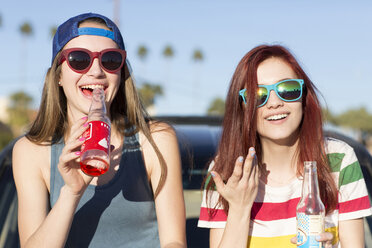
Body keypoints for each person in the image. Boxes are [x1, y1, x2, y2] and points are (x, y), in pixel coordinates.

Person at [12, 13, 186, 248]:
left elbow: (174, 241)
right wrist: (71, 193)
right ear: (58, 76)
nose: (96, 71)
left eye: (110, 60)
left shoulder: (155, 139)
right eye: (79, 59)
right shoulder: (31, 151)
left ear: (122, 72)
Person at [198, 44, 372, 248]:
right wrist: (239, 208)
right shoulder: (225, 173)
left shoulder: (339, 159)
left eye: (287, 90)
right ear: (243, 108)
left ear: (303, 95)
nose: (274, 103)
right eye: (258, 95)